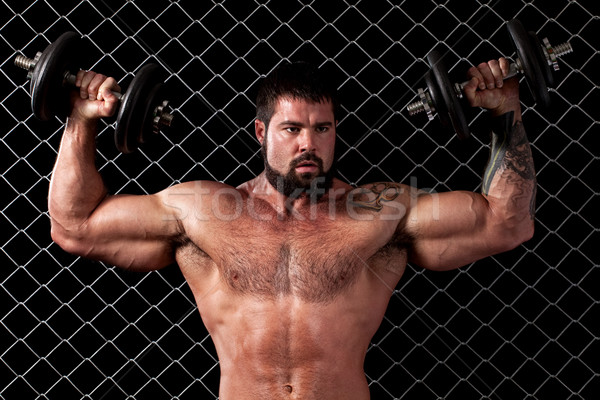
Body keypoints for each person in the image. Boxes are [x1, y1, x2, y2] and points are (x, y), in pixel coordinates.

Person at [48, 57, 535, 399]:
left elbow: (507, 223)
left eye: (322, 129)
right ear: (261, 133)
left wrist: (506, 110)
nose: (309, 143)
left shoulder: (380, 210)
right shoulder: (201, 208)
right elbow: (76, 226)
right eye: (292, 129)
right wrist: (81, 119)